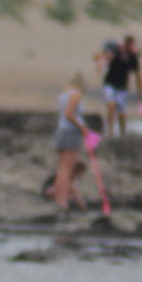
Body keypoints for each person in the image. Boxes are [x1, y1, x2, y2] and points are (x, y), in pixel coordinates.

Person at [51, 72, 92, 212]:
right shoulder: (76, 95)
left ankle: (60, 199)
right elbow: (69, 114)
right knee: (67, 170)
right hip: (71, 133)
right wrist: (83, 128)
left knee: (62, 168)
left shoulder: (64, 95)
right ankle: (62, 201)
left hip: (62, 132)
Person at [94, 35, 142, 135]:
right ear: (125, 44)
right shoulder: (116, 51)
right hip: (110, 83)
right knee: (111, 107)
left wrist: (140, 93)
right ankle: (110, 133)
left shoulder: (132, 57)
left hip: (122, 86)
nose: (131, 47)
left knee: (121, 112)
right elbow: (99, 57)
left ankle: (123, 133)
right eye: (130, 45)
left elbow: (138, 75)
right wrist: (102, 59)